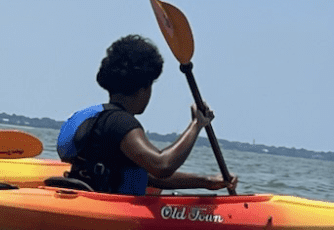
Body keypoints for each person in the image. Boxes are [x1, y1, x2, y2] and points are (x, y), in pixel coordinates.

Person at [56, 34, 237, 195]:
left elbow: (149, 175)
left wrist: (206, 182)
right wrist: (197, 124)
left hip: (85, 198)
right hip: (111, 213)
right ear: (144, 87)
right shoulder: (121, 123)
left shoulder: (97, 118)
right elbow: (161, 165)